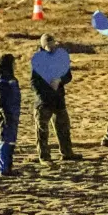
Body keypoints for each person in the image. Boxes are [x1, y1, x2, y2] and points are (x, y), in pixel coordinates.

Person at [30, 33, 81, 164]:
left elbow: (68, 76)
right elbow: (34, 83)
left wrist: (60, 80)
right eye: (49, 46)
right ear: (43, 46)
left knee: (64, 127)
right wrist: (43, 95)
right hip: (44, 101)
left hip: (58, 99)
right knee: (42, 130)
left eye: (53, 45)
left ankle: (67, 152)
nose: (52, 48)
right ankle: (44, 157)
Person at [0, 54, 21, 176]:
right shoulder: (2, 80)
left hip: (12, 113)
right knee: (4, 139)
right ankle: (3, 168)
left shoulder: (7, 77)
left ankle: (8, 166)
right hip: (7, 114)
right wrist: (6, 115)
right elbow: (1, 101)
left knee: (10, 140)